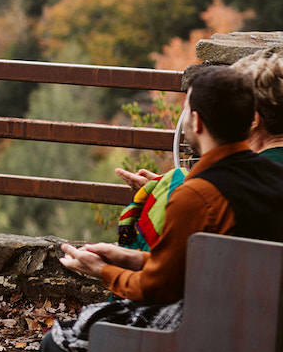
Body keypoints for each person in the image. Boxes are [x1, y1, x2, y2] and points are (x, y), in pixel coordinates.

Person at [34, 64, 283, 352]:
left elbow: (157, 289)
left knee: (59, 340)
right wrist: (129, 258)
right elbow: (202, 267)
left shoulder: (198, 195)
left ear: (197, 122)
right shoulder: (273, 176)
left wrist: (102, 270)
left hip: (211, 333)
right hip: (264, 327)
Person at [115, 48, 283, 251]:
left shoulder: (255, 181)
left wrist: (174, 190)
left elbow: (164, 276)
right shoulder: (264, 175)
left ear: (253, 119)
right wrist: (166, 187)